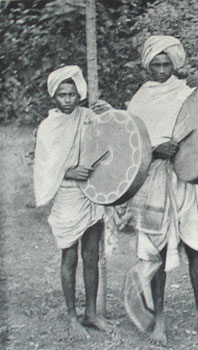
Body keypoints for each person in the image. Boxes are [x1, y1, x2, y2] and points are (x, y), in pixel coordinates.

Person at [113, 35, 198, 345]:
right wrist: (156, 149)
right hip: (156, 178)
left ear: (175, 65)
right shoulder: (140, 100)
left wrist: (188, 153)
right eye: (155, 65)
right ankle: (159, 319)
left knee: (196, 246)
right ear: (148, 66)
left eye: (166, 64)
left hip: (189, 178)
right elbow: (131, 142)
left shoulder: (188, 95)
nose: (161, 70)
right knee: (158, 250)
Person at [33, 66, 113, 339]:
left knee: (91, 254)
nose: (68, 100)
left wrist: (108, 113)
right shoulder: (48, 127)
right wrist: (68, 171)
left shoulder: (88, 117)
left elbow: (109, 139)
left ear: (80, 94)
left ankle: (91, 312)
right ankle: (71, 316)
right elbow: (45, 166)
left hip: (91, 192)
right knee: (70, 256)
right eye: (62, 95)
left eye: (72, 94)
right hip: (67, 193)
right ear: (54, 97)